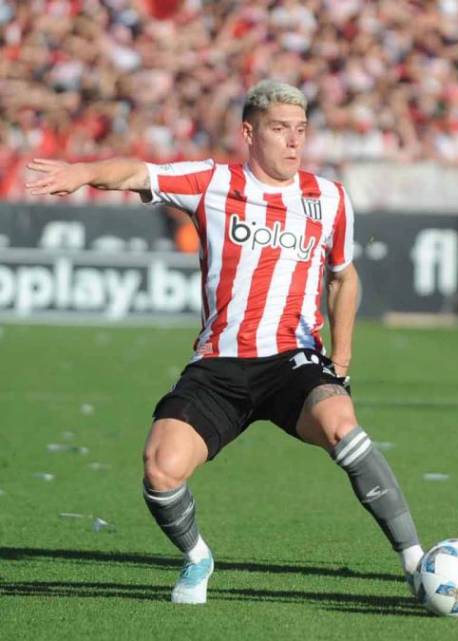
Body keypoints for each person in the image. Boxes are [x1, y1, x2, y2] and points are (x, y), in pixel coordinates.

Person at [25, 80, 424, 605]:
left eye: (300, 130)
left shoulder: (328, 198)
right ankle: (197, 558)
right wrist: (82, 173)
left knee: (341, 424)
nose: (293, 142)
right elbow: (139, 171)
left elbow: (343, 277)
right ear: (249, 133)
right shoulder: (213, 182)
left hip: (292, 361)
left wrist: (341, 362)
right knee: (160, 469)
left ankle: (417, 563)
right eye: (280, 129)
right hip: (219, 365)